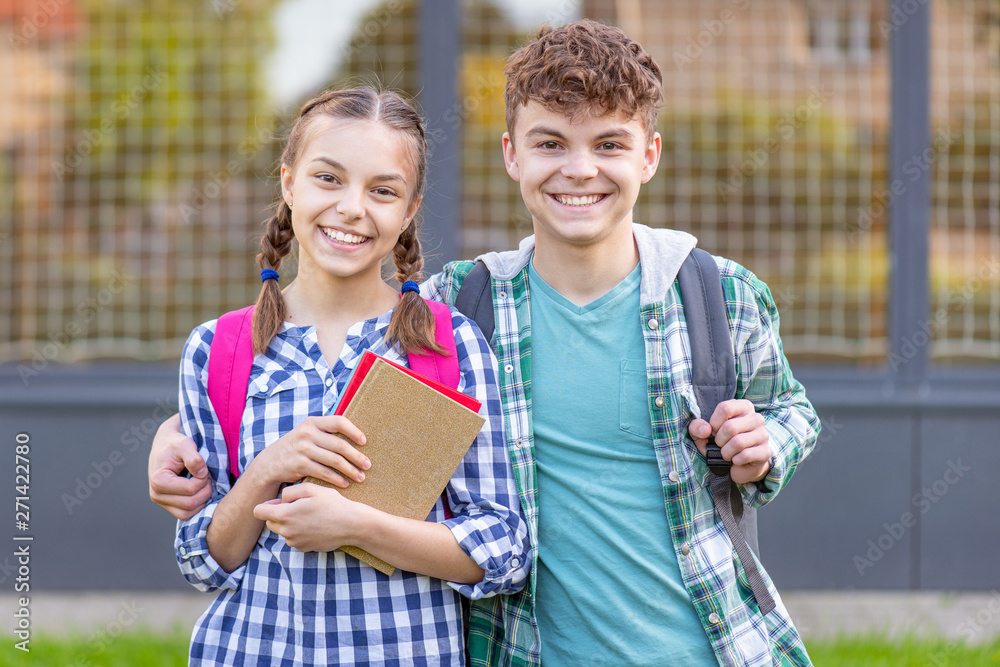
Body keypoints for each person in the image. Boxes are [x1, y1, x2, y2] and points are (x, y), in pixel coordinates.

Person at [151, 21, 820, 667]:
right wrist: (177, 433)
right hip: (526, 648)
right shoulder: (464, 305)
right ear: (511, 153)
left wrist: (763, 443)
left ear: (650, 154)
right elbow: (314, 352)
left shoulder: (716, 294)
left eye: (610, 145)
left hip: (707, 645)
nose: (580, 169)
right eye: (551, 143)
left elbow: (792, 409)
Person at [171, 87, 529, 667]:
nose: (352, 208)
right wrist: (267, 471)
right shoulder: (219, 349)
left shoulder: (445, 343)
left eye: (382, 190)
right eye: (328, 179)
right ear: (290, 184)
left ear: (410, 208)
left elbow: (504, 549)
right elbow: (202, 560)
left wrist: (356, 526)